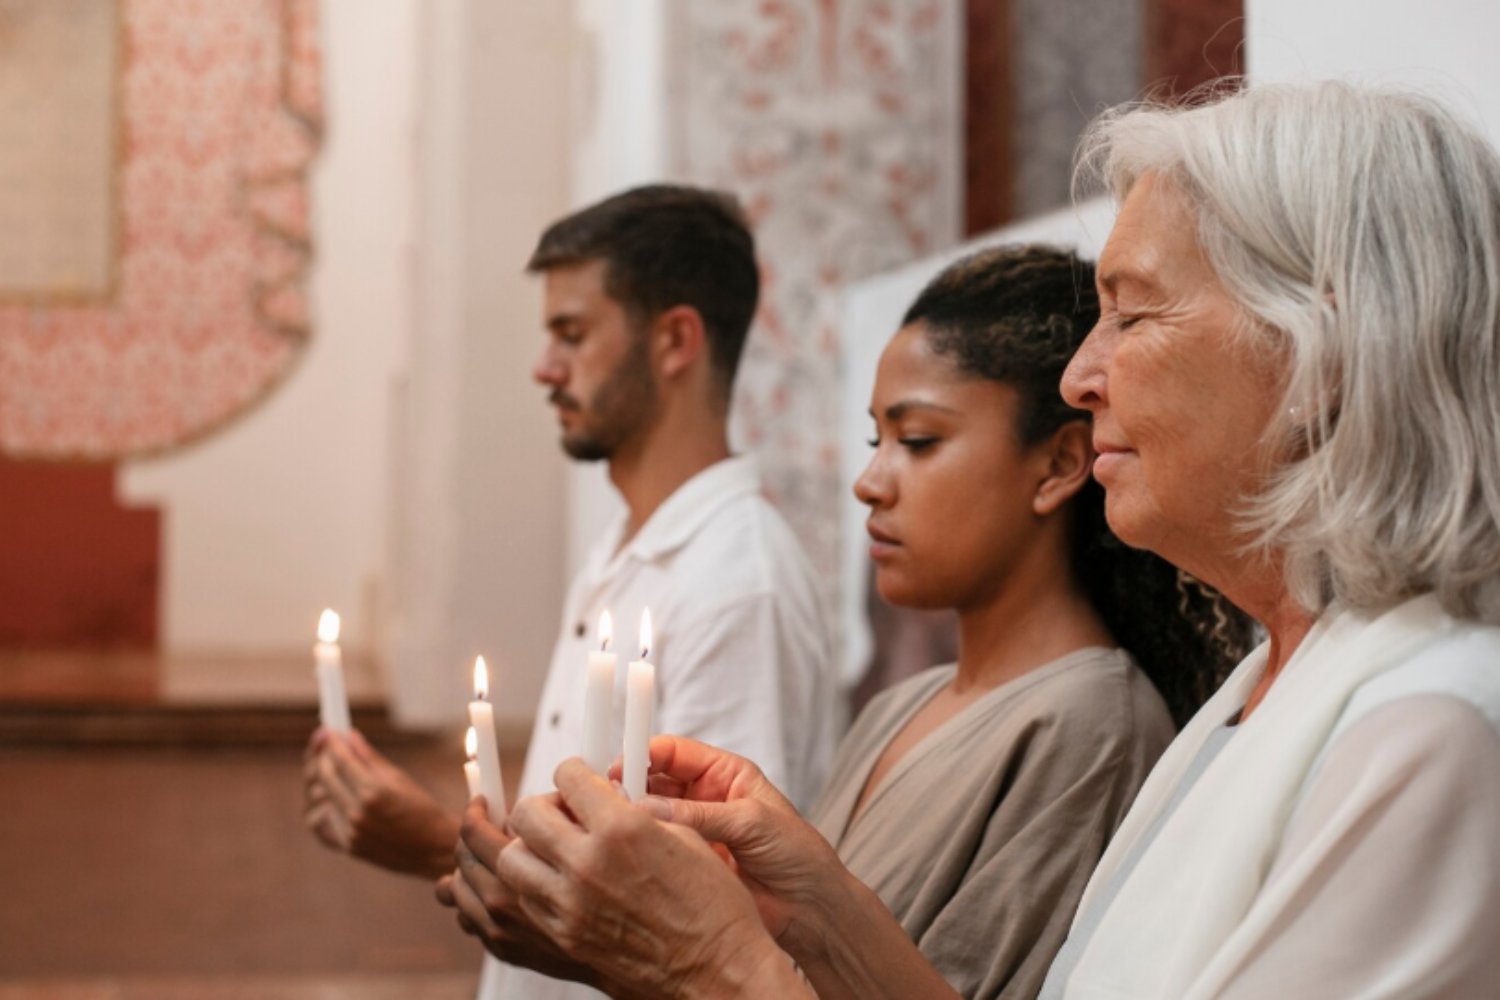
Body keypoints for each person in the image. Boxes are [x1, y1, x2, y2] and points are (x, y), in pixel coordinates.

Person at [434, 81, 1500, 998]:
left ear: (1316, 354)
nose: (1083, 379)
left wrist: (712, 963)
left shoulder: (1432, 728)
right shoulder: (1266, 682)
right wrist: (812, 905)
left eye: (1133, 317)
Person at [440, 245, 1249, 998]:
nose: (870, 482)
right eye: (875, 438)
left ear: (1061, 463)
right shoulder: (907, 703)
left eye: (918, 440)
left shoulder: (1090, 722)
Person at [302, 184, 837, 999]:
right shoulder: (623, 546)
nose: (544, 368)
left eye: (573, 334)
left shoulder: (739, 585)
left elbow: (710, 924)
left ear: (675, 341)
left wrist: (439, 842)